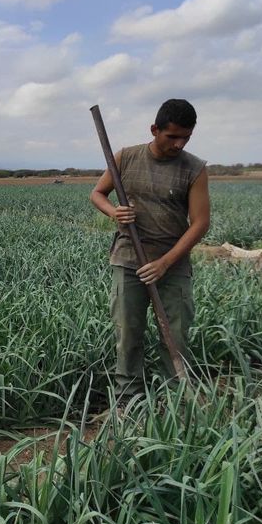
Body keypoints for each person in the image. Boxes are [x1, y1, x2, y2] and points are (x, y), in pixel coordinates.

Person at [90, 99, 210, 399]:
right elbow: (98, 193)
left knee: (176, 334)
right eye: (172, 136)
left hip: (173, 263)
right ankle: (128, 399)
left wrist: (166, 263)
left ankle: (177, 400)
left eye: (186, 137)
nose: (179, 144)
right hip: (129, 258)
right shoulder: (127, 158)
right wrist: (113, 212)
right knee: (128, 333)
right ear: (155, 130)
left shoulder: (194, 169)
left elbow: (200, 223)